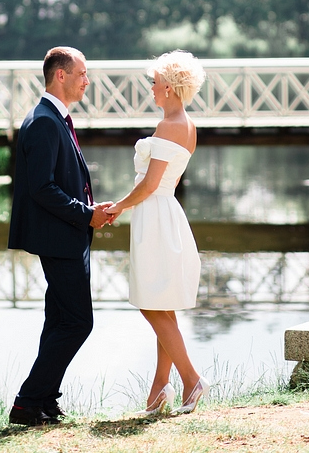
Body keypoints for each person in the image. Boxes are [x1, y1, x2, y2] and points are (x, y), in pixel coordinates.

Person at [7, 46, 113, 426]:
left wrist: (92, 209)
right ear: (61, 76)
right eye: (82, 73)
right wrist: (87, 215)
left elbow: (61, 180)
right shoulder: (45, 121)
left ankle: (45, 400)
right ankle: (26, 403)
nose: (88, 80)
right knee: (78, 322)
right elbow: (42, 189)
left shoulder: (55, 118)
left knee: (59, 321)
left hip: (70, 235)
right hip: (60, 237)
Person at [104, 50, 209, 416]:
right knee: (161, 301)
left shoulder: (170, 126)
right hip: (164, 213)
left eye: (154, 82)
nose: (151, 88)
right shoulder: (187, 124)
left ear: (167, 86)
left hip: (156, 215)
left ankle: (191, 378)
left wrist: (118, 205)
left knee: (150, 302)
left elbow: (150, 184)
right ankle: (159, 388)